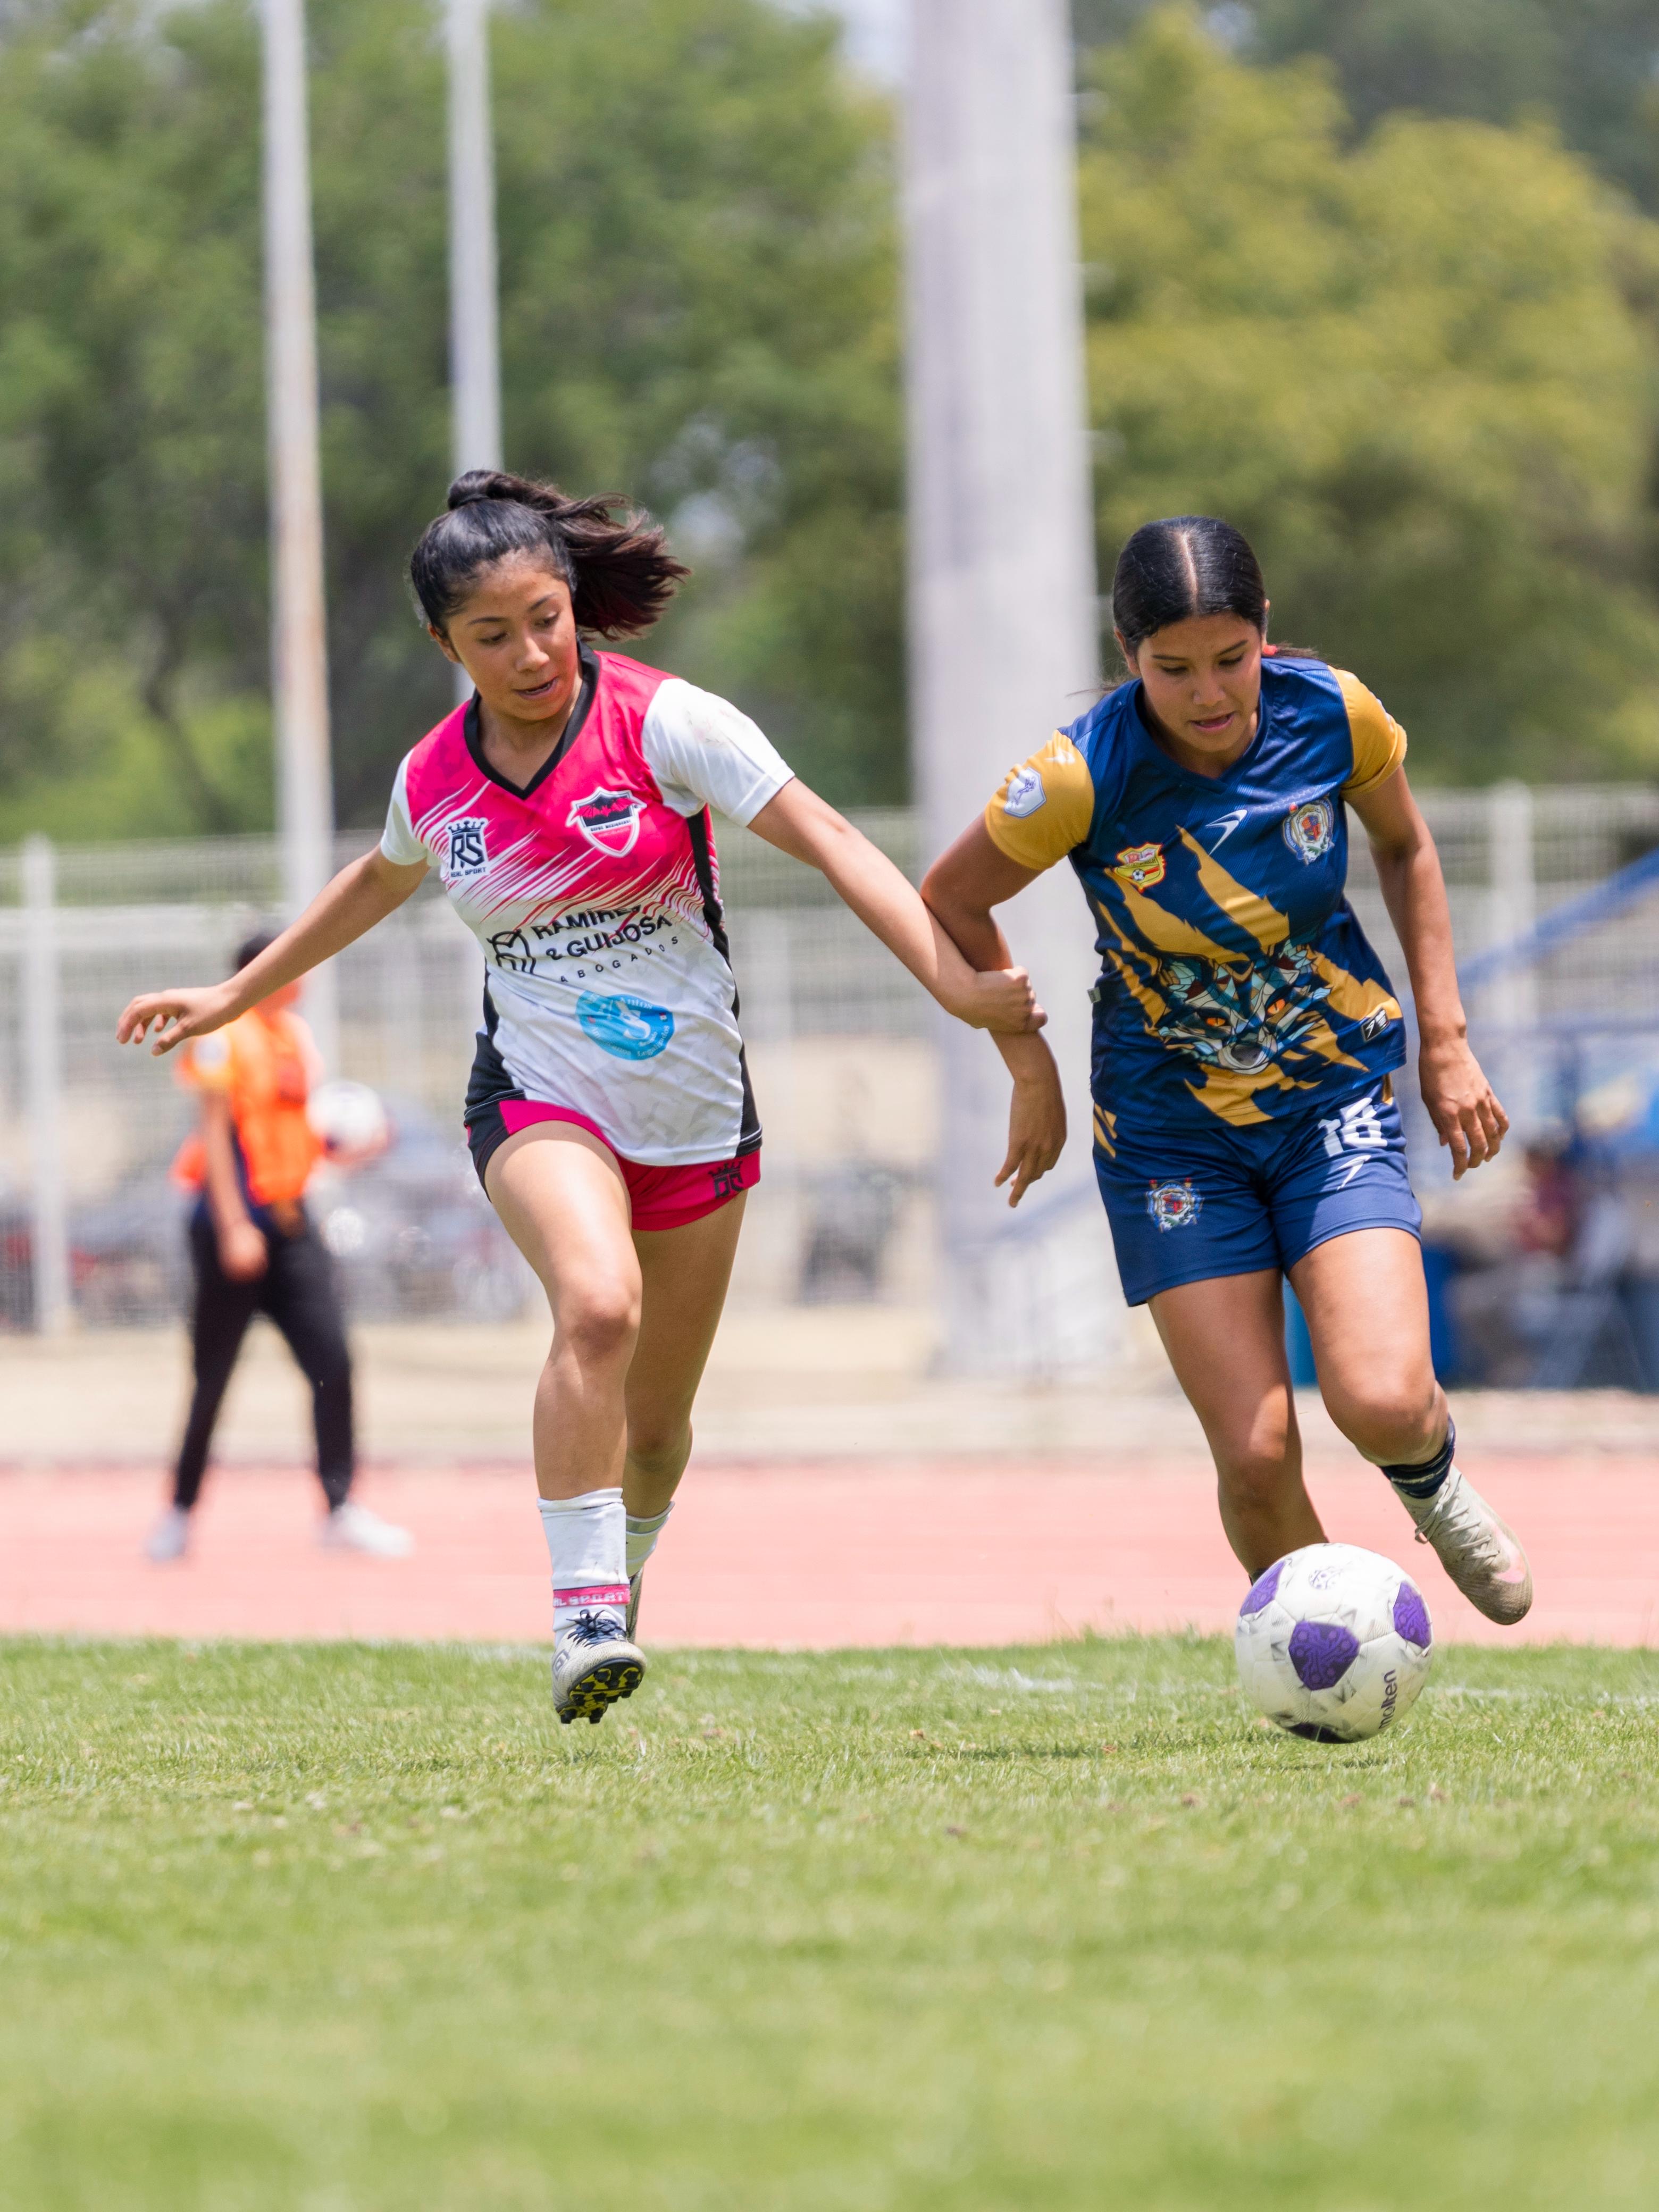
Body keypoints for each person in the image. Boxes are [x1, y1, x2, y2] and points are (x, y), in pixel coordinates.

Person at [119, 470, 1042, 1721]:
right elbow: (371, 882)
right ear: (444, 644)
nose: (529, 652)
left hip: (697, 1115)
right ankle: (581, 1618)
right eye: (490, 635)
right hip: (536, 1099)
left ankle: (618, 1587)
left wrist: (952, 985)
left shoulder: (670, 723)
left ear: (573, 605)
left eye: (545, 618)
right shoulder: (436, 778)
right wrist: (236, 997)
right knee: (594, 1305)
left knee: (656, 1435)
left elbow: (833, 841)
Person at [921, 514, 1532, 1623]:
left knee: (1385, 1399)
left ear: (1266, 634)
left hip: (1330, 1096)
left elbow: (1407, 845)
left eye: (1230, 658)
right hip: (1170, 1132)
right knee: (1254, 1454)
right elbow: (951, 900)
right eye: (1173, 669)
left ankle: (1433, 1486)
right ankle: (1343, 1650)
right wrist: (1029, 1064)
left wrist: (1445, 1040)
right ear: (1125, 654)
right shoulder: (1078, 775)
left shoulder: (1332, 713)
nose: (1209, 692)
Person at [145, 934, 412, 1564]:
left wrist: (350, 1150)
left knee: (334, 1361)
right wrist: (235, 1224)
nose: (303, 975)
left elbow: (290, 1135)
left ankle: (340, 1506)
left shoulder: (293, 1036)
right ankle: (179, 1513)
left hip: (292, 1226)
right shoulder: (224, 1032)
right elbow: (215, 1134)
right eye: (291, 963)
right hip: (231, 1226)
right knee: (212, 1374)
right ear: (258, 971)